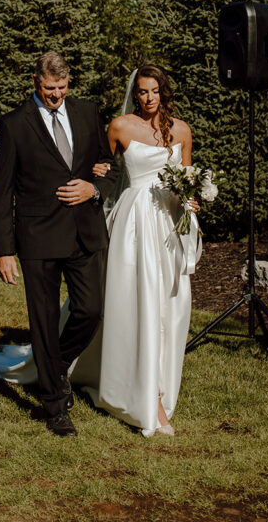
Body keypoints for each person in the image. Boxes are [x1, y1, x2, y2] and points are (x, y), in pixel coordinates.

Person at [0, 51, 117, 437]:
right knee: (43, 322)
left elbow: (108, 165)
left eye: (61, 88)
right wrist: (3, 250)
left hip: (84, 233)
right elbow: (2, 192)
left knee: (91, 310)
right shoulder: (13, 125)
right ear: (35, 82)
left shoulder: (87, 112)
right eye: (49, 89)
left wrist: (94, 186)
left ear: (69, 83)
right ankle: (55, 404)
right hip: (38, 238)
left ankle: (53, 364)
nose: (55, 95)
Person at [80, 64, 201, 437]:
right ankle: (144, 398)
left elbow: (187, 178)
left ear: (164, 91)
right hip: (134, 222)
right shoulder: (120, 127)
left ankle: (160, 389)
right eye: (142, 92)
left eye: (155, 91)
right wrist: (95, 171)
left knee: (169, 305)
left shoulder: (181, 130)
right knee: (136, 303)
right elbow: (101, 169)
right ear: (136, 93)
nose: (149, 98)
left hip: (168, 222)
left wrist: (194, 201)